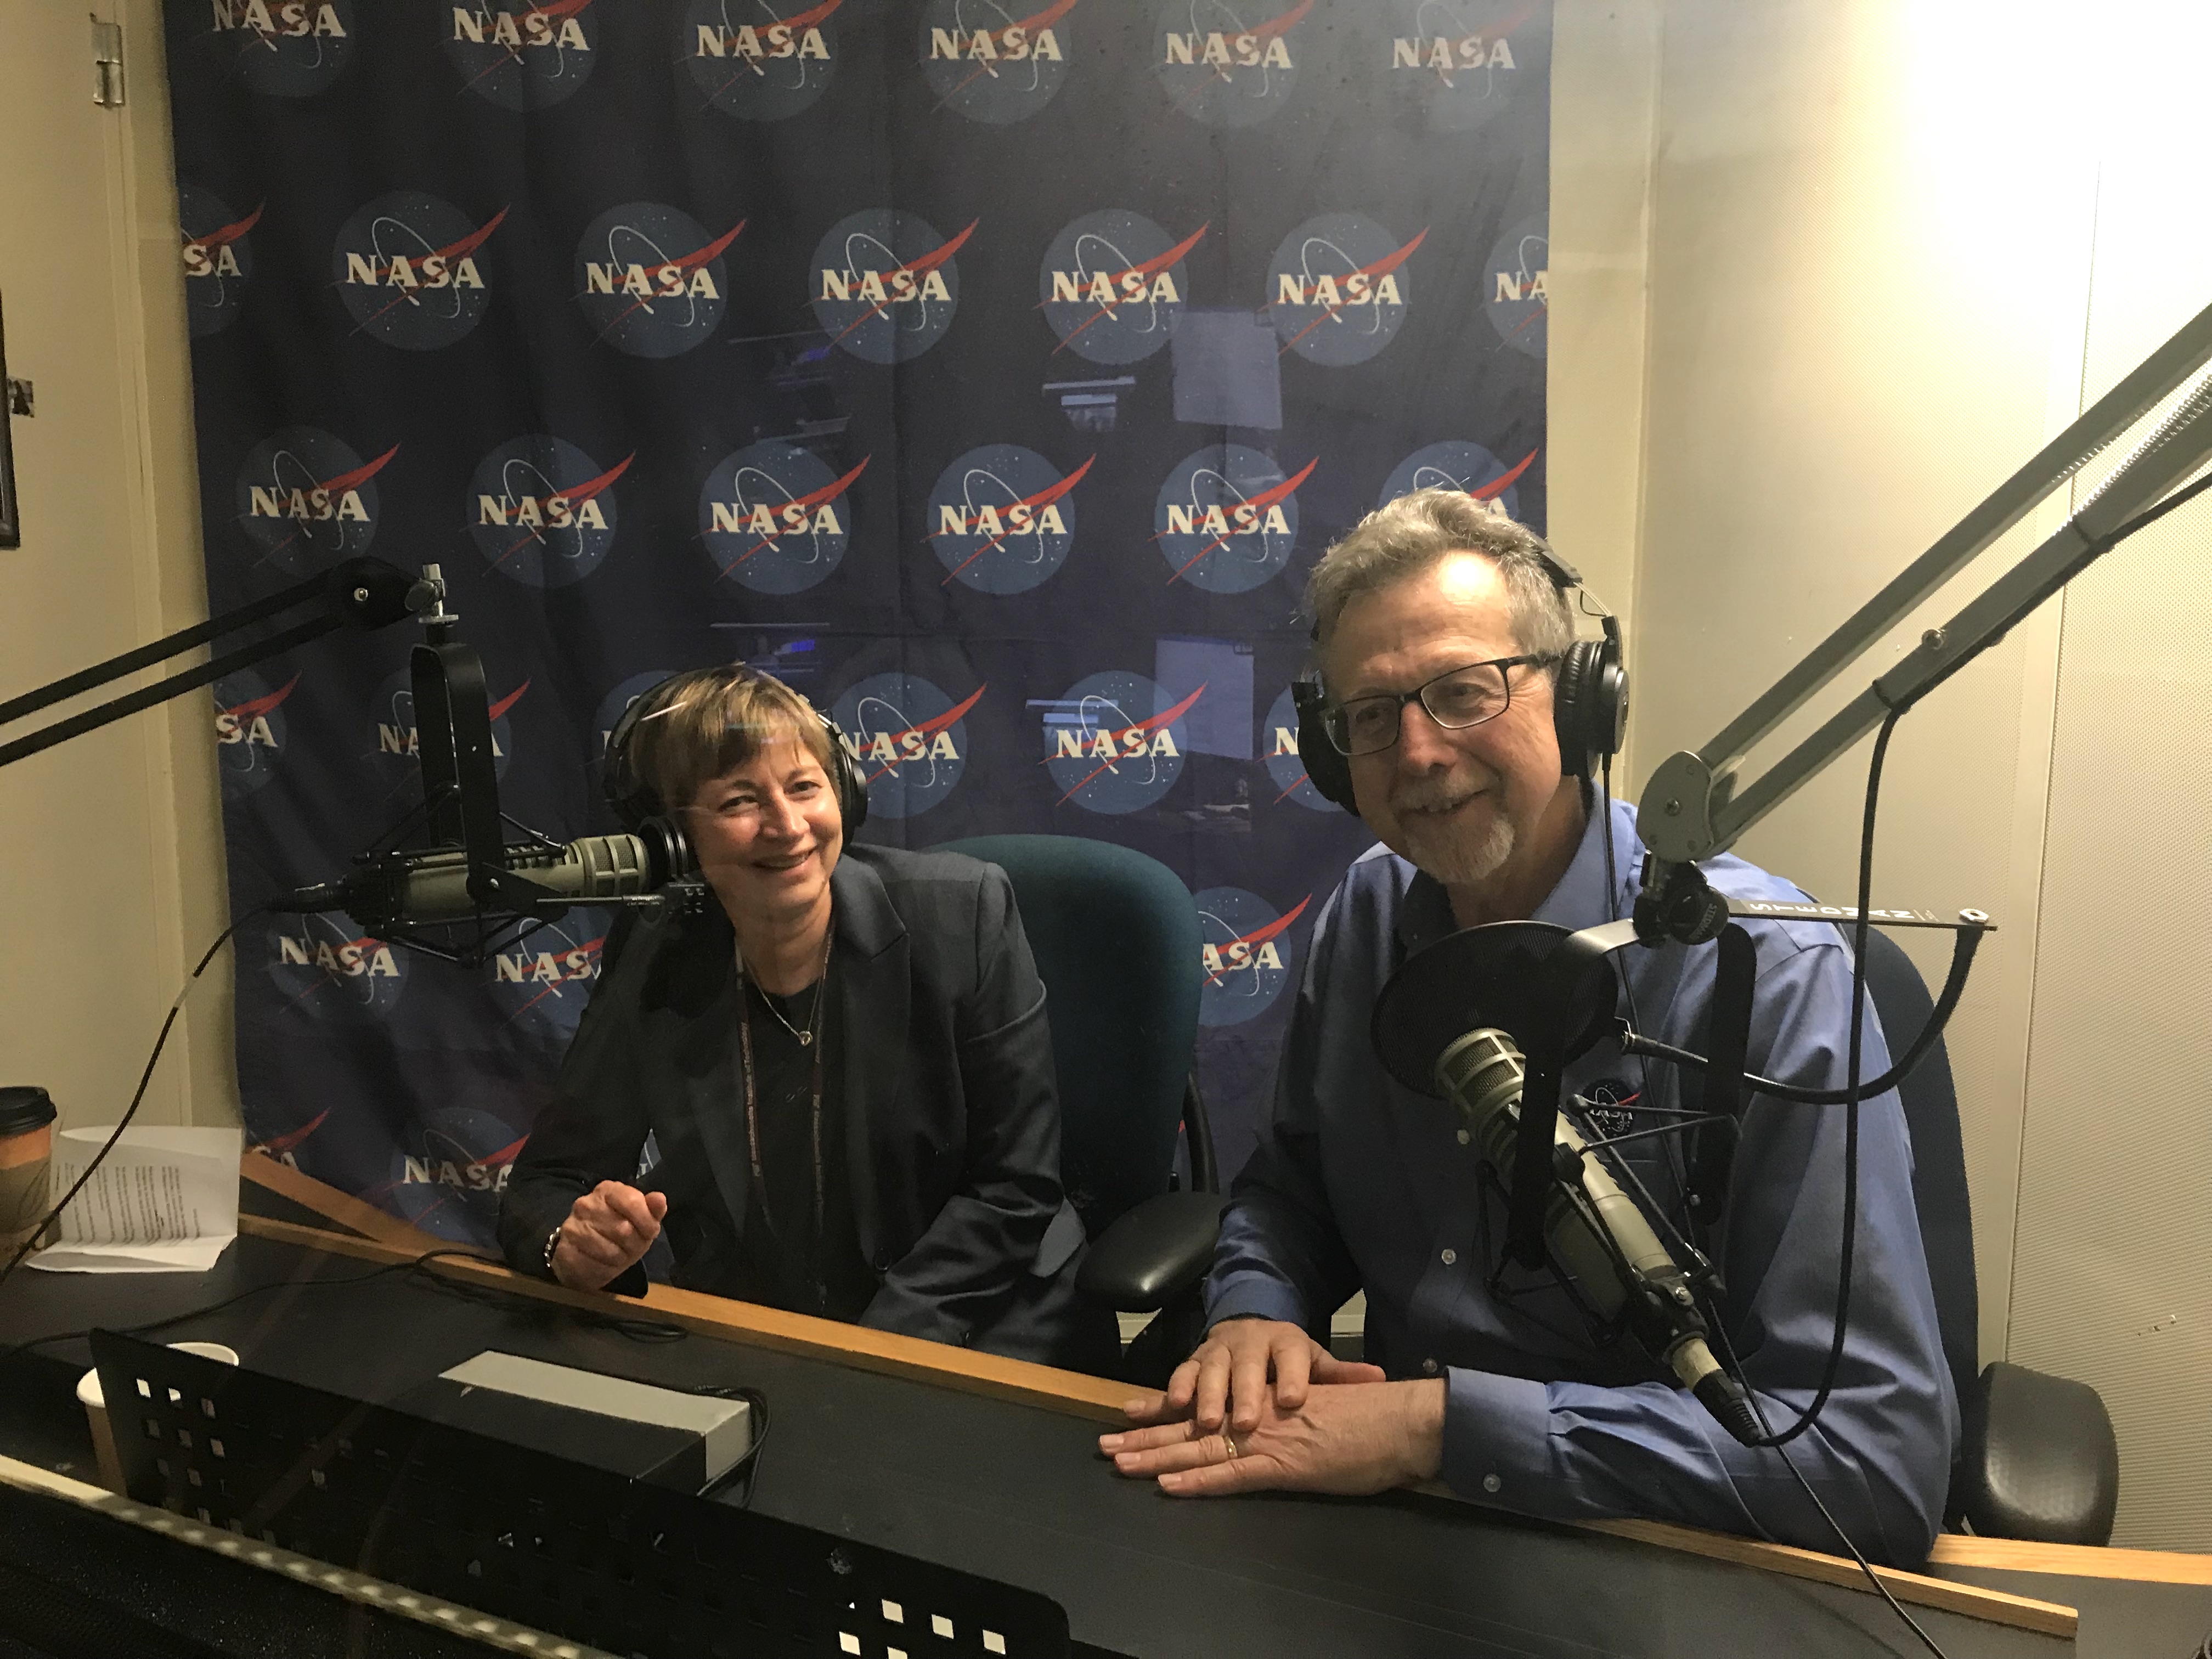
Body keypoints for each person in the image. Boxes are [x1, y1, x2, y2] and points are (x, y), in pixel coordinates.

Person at [1099, 489, 1957, 1565]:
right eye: (1373, 716)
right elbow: (1295, 1189)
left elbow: (1878, 1462)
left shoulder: (1772, 980)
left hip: (1660, 1561)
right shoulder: (1371, 911)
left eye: (1463, 692)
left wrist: (1437, 1428)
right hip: (1407, 1542)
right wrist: (1258, 1307)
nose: (1416, 751)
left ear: (1583, 701)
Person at [498, 665, 1115, 1372]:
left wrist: (864, 1357)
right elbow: (551, 1179)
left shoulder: (963, 914)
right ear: (671, 839)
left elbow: (1017, 1185)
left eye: (803, 787)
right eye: (739, 800)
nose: (787, 827)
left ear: (841, 794)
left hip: (983, 1312)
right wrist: (569, 1244)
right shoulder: (658, 949)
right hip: (772, 1335)